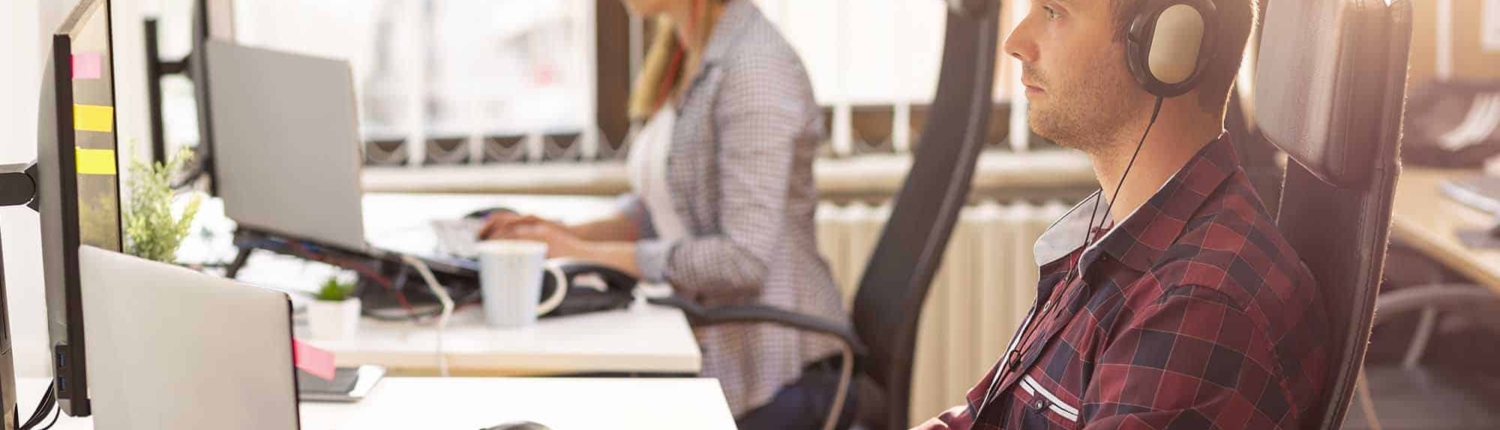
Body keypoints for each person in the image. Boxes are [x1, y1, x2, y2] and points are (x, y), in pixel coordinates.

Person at [916, 0, 1330, 427]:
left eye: (1054, 11)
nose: (1015, 43)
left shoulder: (1199, 309)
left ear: (1167, 46)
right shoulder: (1121, 238)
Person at [480, 0, 851, 428]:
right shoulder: (686, 52)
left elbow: (742, 260)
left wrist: (584, 251)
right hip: (711, 346)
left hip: (775, 374)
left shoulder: (754, 69)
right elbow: (662, 206)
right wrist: (557, 235)